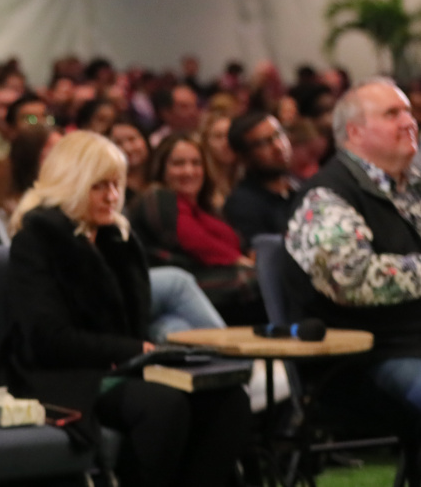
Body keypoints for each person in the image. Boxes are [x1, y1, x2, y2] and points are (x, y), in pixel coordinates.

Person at [5, 130, 251, 487]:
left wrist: (142, 352)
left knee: (229, 399)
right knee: (163, 405)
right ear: (71, 184)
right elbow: (47, 338)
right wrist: (134, 350)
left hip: (124, 366)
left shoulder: (116, 237)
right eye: (99, 186)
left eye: (116, 185)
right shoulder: (37, 238)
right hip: (63, 377)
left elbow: (133, 320)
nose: (112, 196)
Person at [285, 78, 421, 417]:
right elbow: (351, 278)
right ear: (355, 132)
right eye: (392, 114)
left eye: (408, 112)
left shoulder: (412, 184)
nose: (409, 121)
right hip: (371, 355)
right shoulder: (324, 196)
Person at [129, 134, 262, 324]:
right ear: (162, 169)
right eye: (178, 164)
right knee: (258, 280)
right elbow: (190, 239)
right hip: (179, 282)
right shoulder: (156, 195)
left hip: (212, 280)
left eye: (196, 163)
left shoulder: (207, 209)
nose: (188, 171)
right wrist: (238, 260)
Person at [223, 111, 300, 244]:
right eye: (264, 143)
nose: (278, 147)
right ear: (243, 157)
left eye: (279, 135)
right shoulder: (243, 206)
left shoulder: (299, 187)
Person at [107, 120, 150, 204]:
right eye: (118, 143)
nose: (128, 148)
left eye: (132, 139)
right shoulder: (111, 188)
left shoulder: (163, 177)